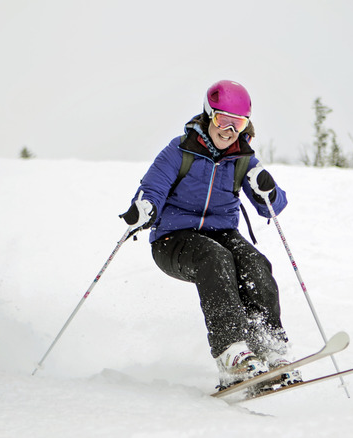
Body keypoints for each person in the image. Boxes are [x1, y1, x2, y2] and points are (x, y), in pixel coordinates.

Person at [120, 80, 301, 389]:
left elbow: (273, 207)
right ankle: (232, 355)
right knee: (215, 259)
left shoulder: (242, 160)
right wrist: (144, 209)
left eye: (238, 124)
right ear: (208, 116)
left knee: (255, 264)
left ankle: (268, 347)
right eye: (222, 120)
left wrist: (266, 190)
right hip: (173, 240)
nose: (229, 131)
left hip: (223, 233)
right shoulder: (179, 151)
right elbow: (152, 188)